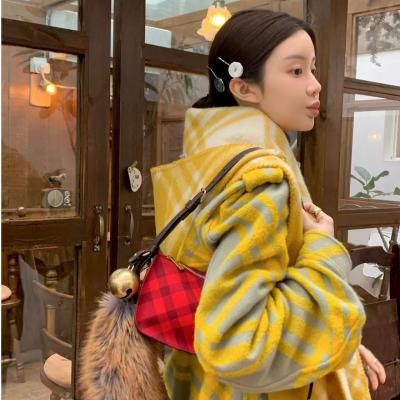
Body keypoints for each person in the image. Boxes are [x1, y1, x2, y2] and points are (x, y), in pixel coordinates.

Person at [150, 9, 386, 400]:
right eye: (296, 71)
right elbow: (239, 347)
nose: (316, 85)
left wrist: (334, 339)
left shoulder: (207, 161)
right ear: (244, 88)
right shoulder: (261, 182)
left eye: (312, 69)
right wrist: (323, 249)